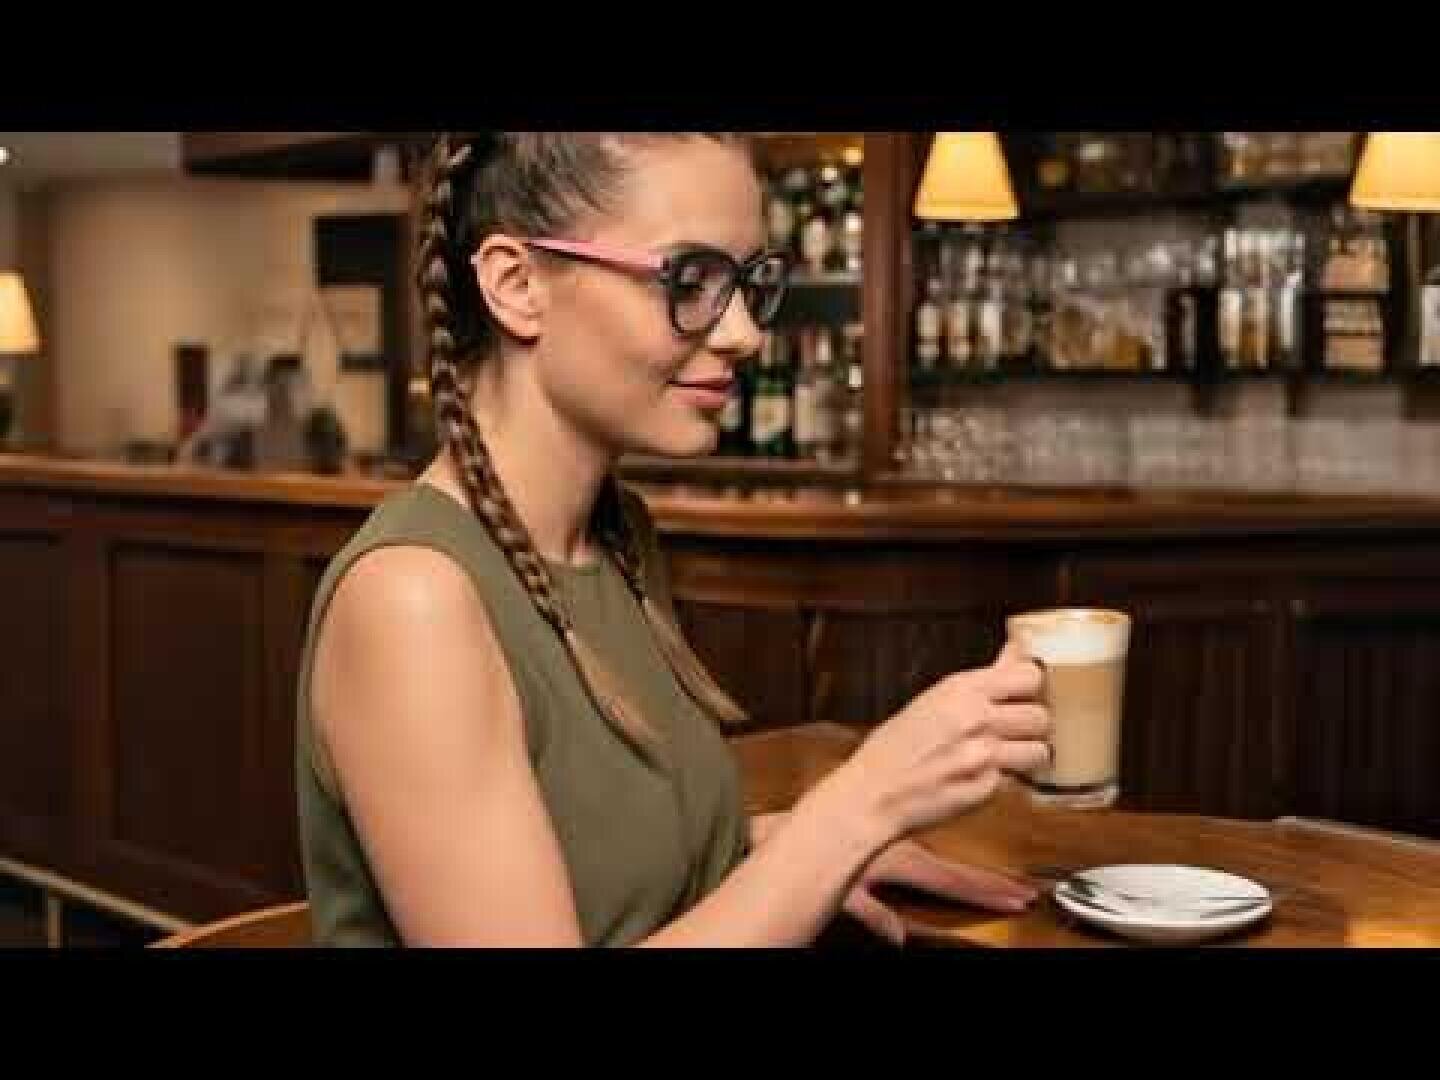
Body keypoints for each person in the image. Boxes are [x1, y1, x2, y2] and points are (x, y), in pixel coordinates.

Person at [294, 133, 1051, 947]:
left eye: (749, 284)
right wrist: (855, 807)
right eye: (690, 281)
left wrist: (804, 852)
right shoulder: (415, 600)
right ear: (517, 285)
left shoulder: (617, 539)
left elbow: (611, 870)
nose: (743, 335)